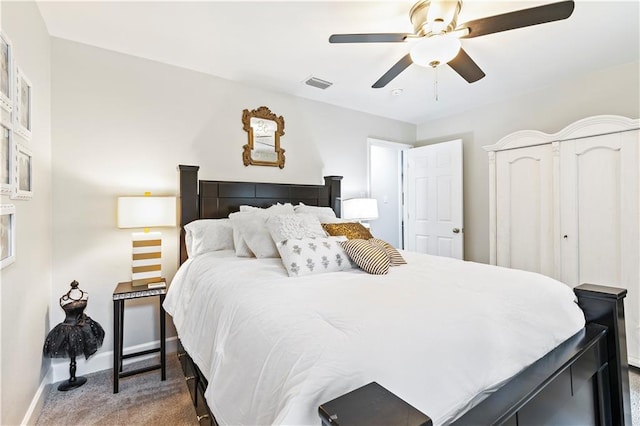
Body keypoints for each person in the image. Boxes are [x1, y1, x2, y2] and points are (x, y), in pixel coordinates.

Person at [43, 280, 105, 360]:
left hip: (84, 326)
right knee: (71, 350)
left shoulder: (85, 295)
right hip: (68, 328)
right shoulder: (63, 299)